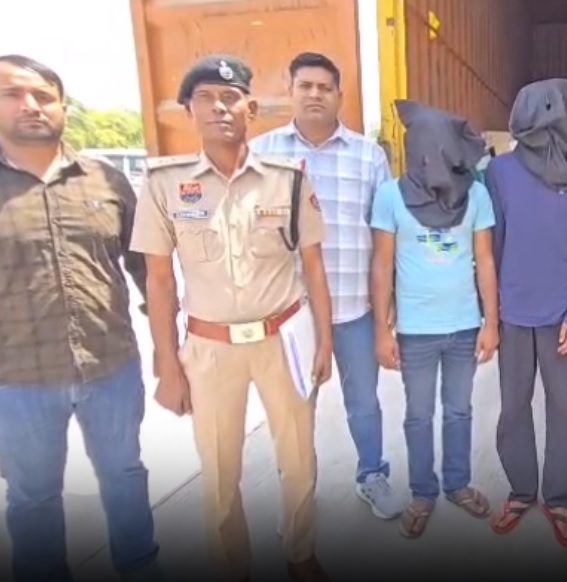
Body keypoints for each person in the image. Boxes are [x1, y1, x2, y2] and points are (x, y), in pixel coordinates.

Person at [0, 54, 162, 582]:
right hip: (14, 382)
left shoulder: (105, 179)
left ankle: (140, 566)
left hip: (111, 368)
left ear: (63, 107)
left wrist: (169, 348)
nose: (31, 105)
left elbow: (147, 270)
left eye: (44, 96)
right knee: (33, 496)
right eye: (13, 94)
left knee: (125, 474)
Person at [130, 55, 335, 582]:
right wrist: (167, 364)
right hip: (210, 348)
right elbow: (159, 281)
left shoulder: (288, 181)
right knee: (220, 470)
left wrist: (324, 342)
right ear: (189, 111)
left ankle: (300, 553)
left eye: (230, 98)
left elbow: (313, 265)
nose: (220, 108)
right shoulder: (164, 184)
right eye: (205, 98)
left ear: (251, 108)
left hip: (283, 339)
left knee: (299, 459)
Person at [250, 52, 399, 521]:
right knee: (295, 408)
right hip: (291, 312)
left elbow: (385, 236)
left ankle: (372, 475)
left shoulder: (368, 156)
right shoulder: (262, 153)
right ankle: (297, 491)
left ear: (339, 95)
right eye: (306, 86)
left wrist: (389, 301)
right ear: (290, 91)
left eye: (325, 87)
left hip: (355, 308)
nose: (315, 94)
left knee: (363, 403)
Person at [370, 99, 500, 539]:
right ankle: (423, 492)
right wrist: (382, 331)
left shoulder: (476, 195)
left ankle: (458, 484)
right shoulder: (390, 196)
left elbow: (485, 260)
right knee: (419, 415)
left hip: (464, 325)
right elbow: (381, 265)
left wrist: (491, 322)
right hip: (415, 331)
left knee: (459, 411)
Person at [484, 78, 567, 547]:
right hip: (513, 312)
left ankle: (560, 497)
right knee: (513, 407)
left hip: (561, 314)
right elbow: (492, 243)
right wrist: (493, 312)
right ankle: (521, 490)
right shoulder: (500, 171)